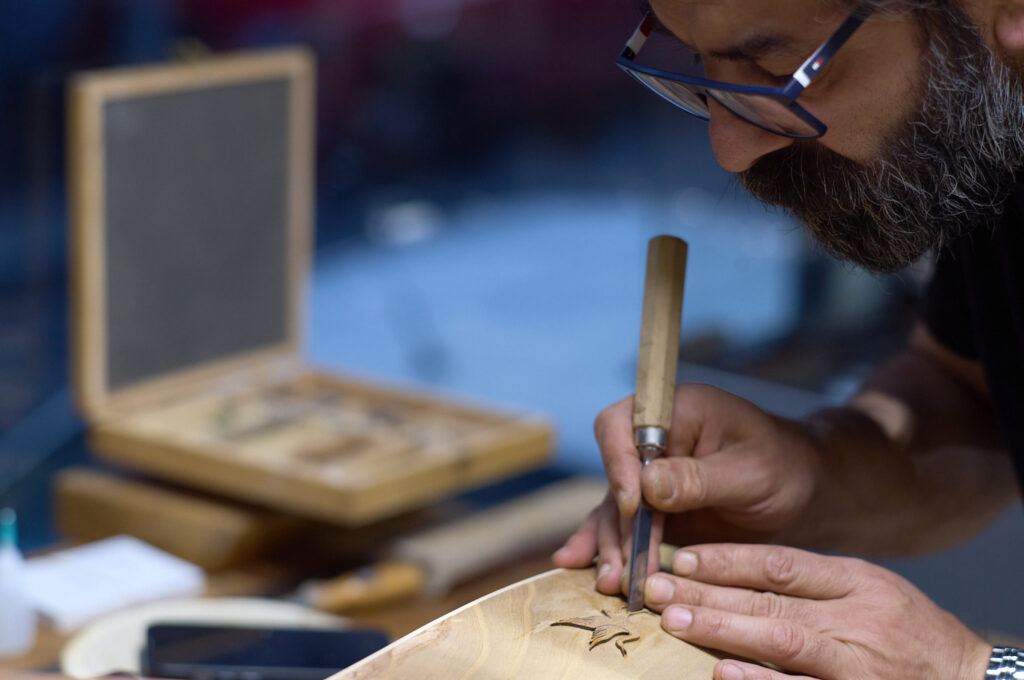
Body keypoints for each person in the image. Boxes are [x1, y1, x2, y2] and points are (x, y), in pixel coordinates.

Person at [552, 1, 1024, 679]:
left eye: (775, 70)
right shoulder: (995, 115)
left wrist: (977, 670)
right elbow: (977, 398)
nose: (728, 148)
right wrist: (818, 469)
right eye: (694, 61)